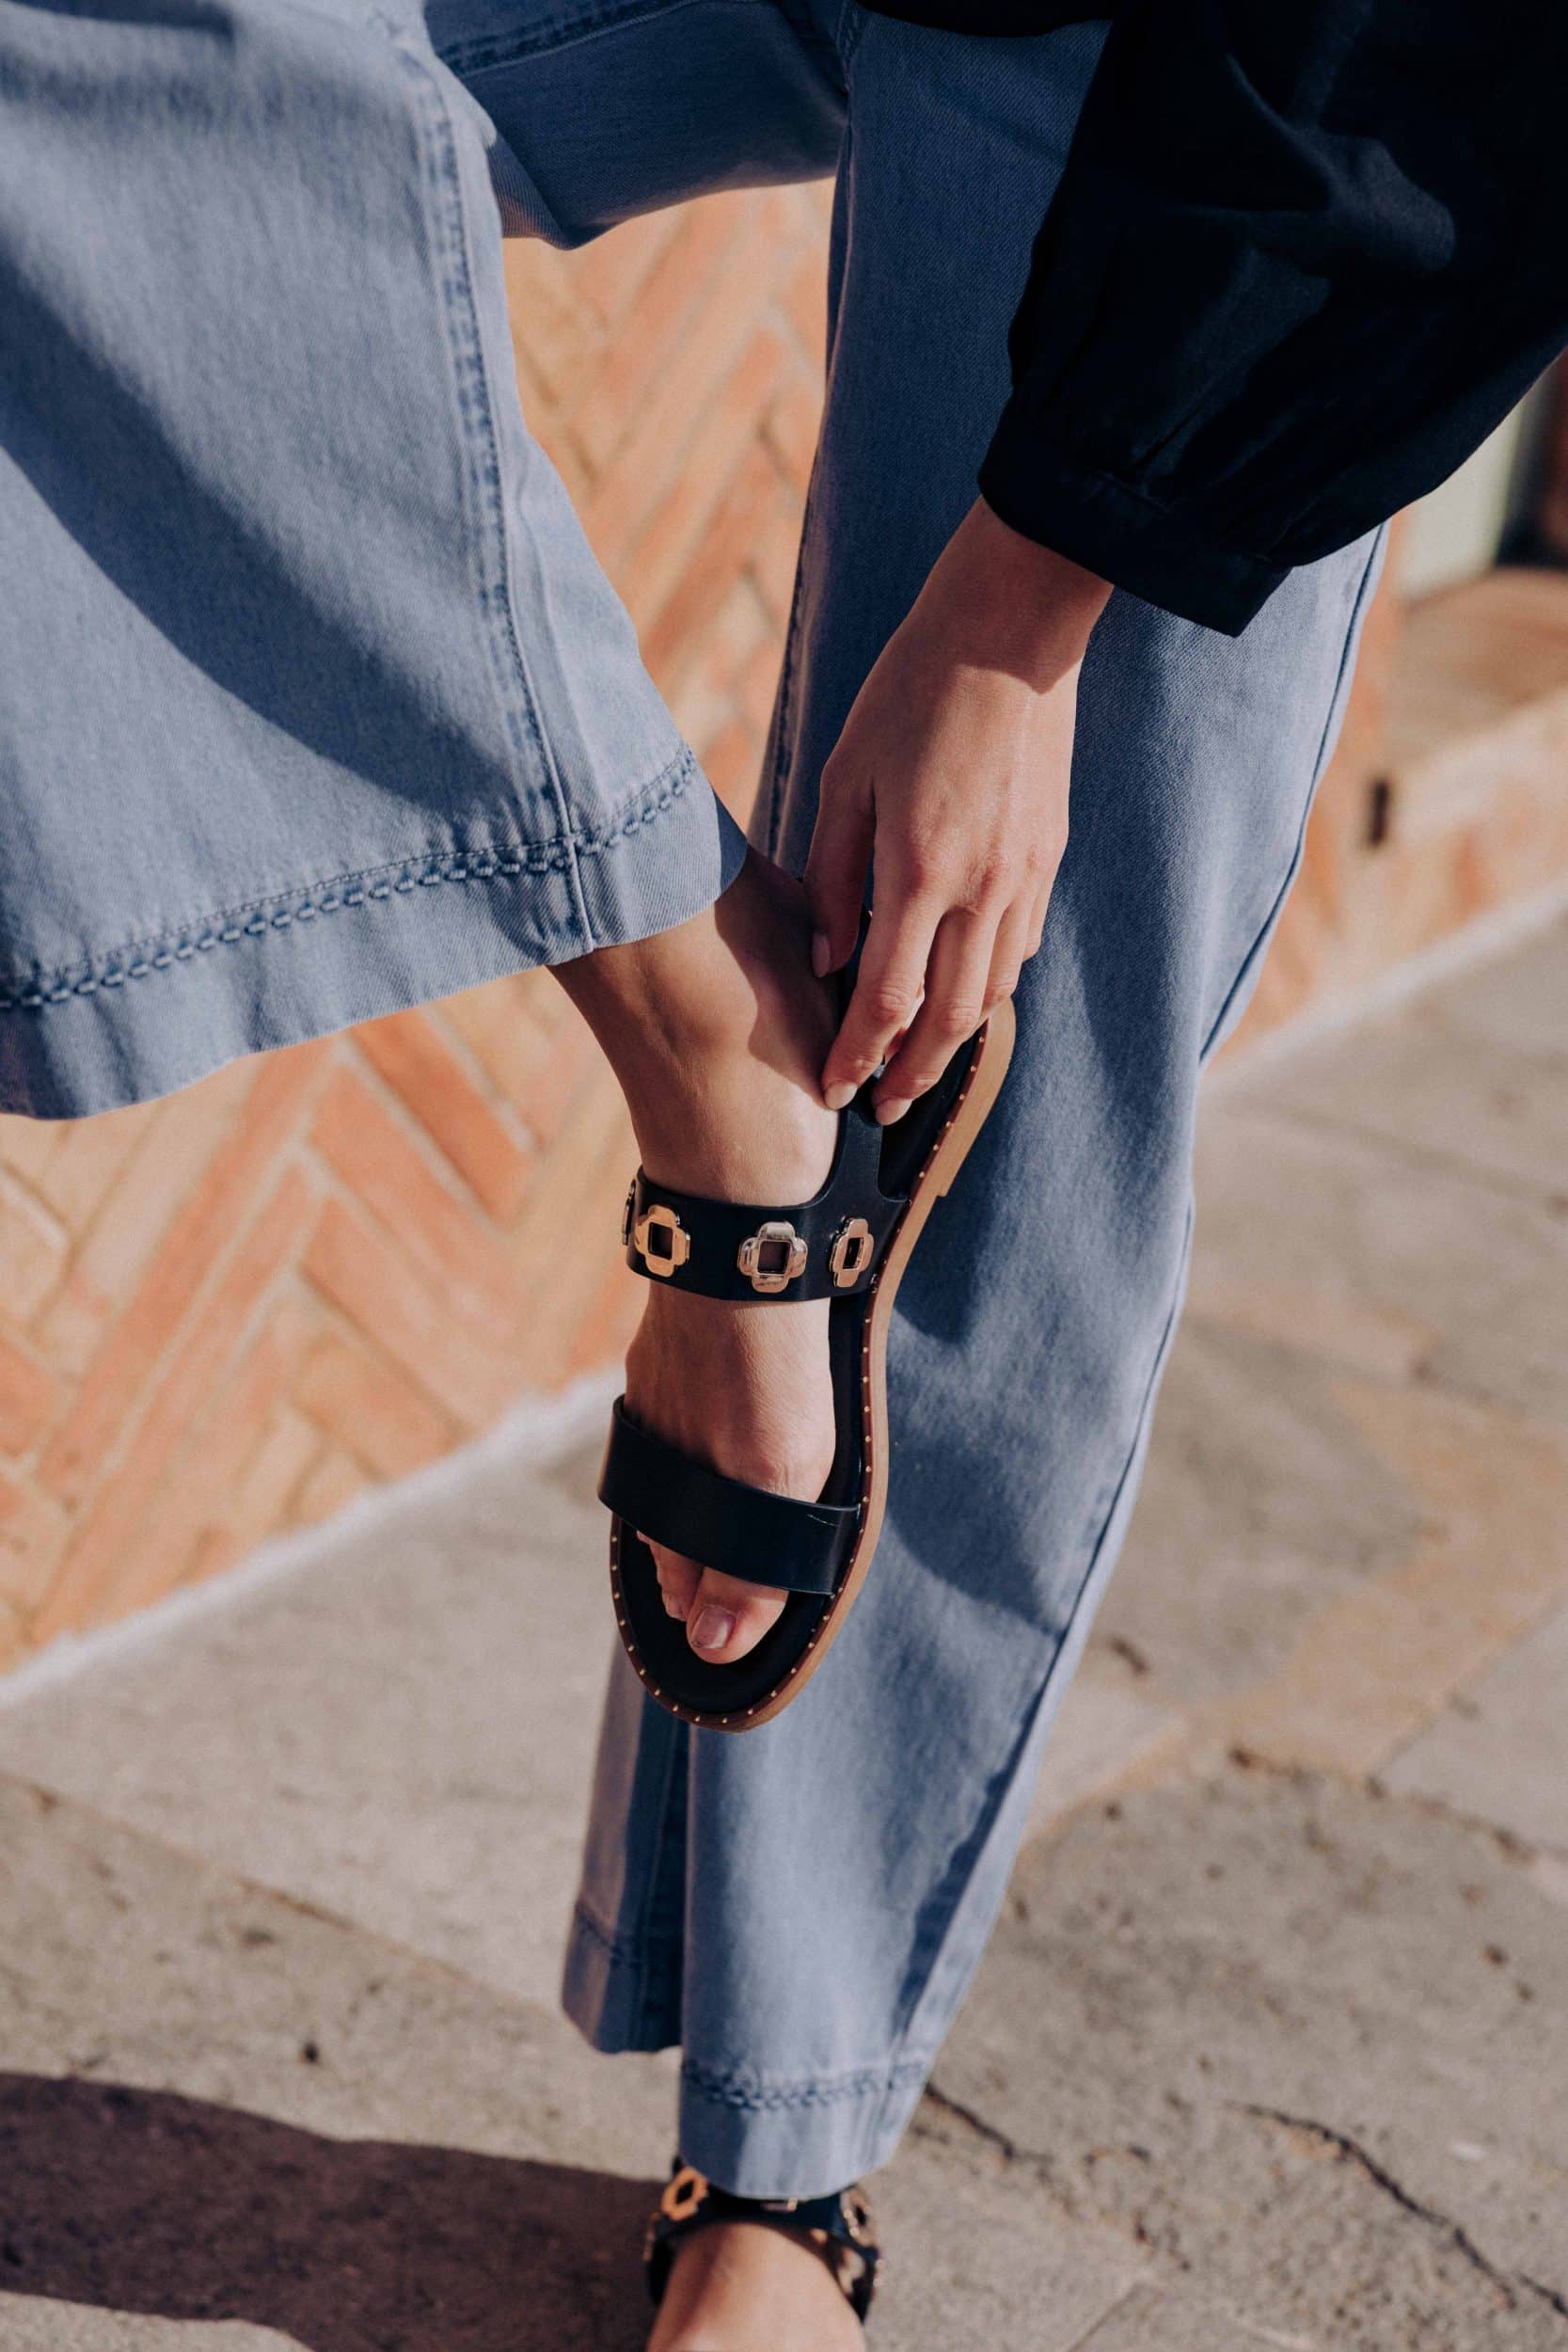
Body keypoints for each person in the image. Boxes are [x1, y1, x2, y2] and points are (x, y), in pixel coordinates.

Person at [4, 0, 1565, 2341]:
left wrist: (1030, 596)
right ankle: (700, 1035)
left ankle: (781, 2160)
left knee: (971, 1083)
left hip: (1234, 60)